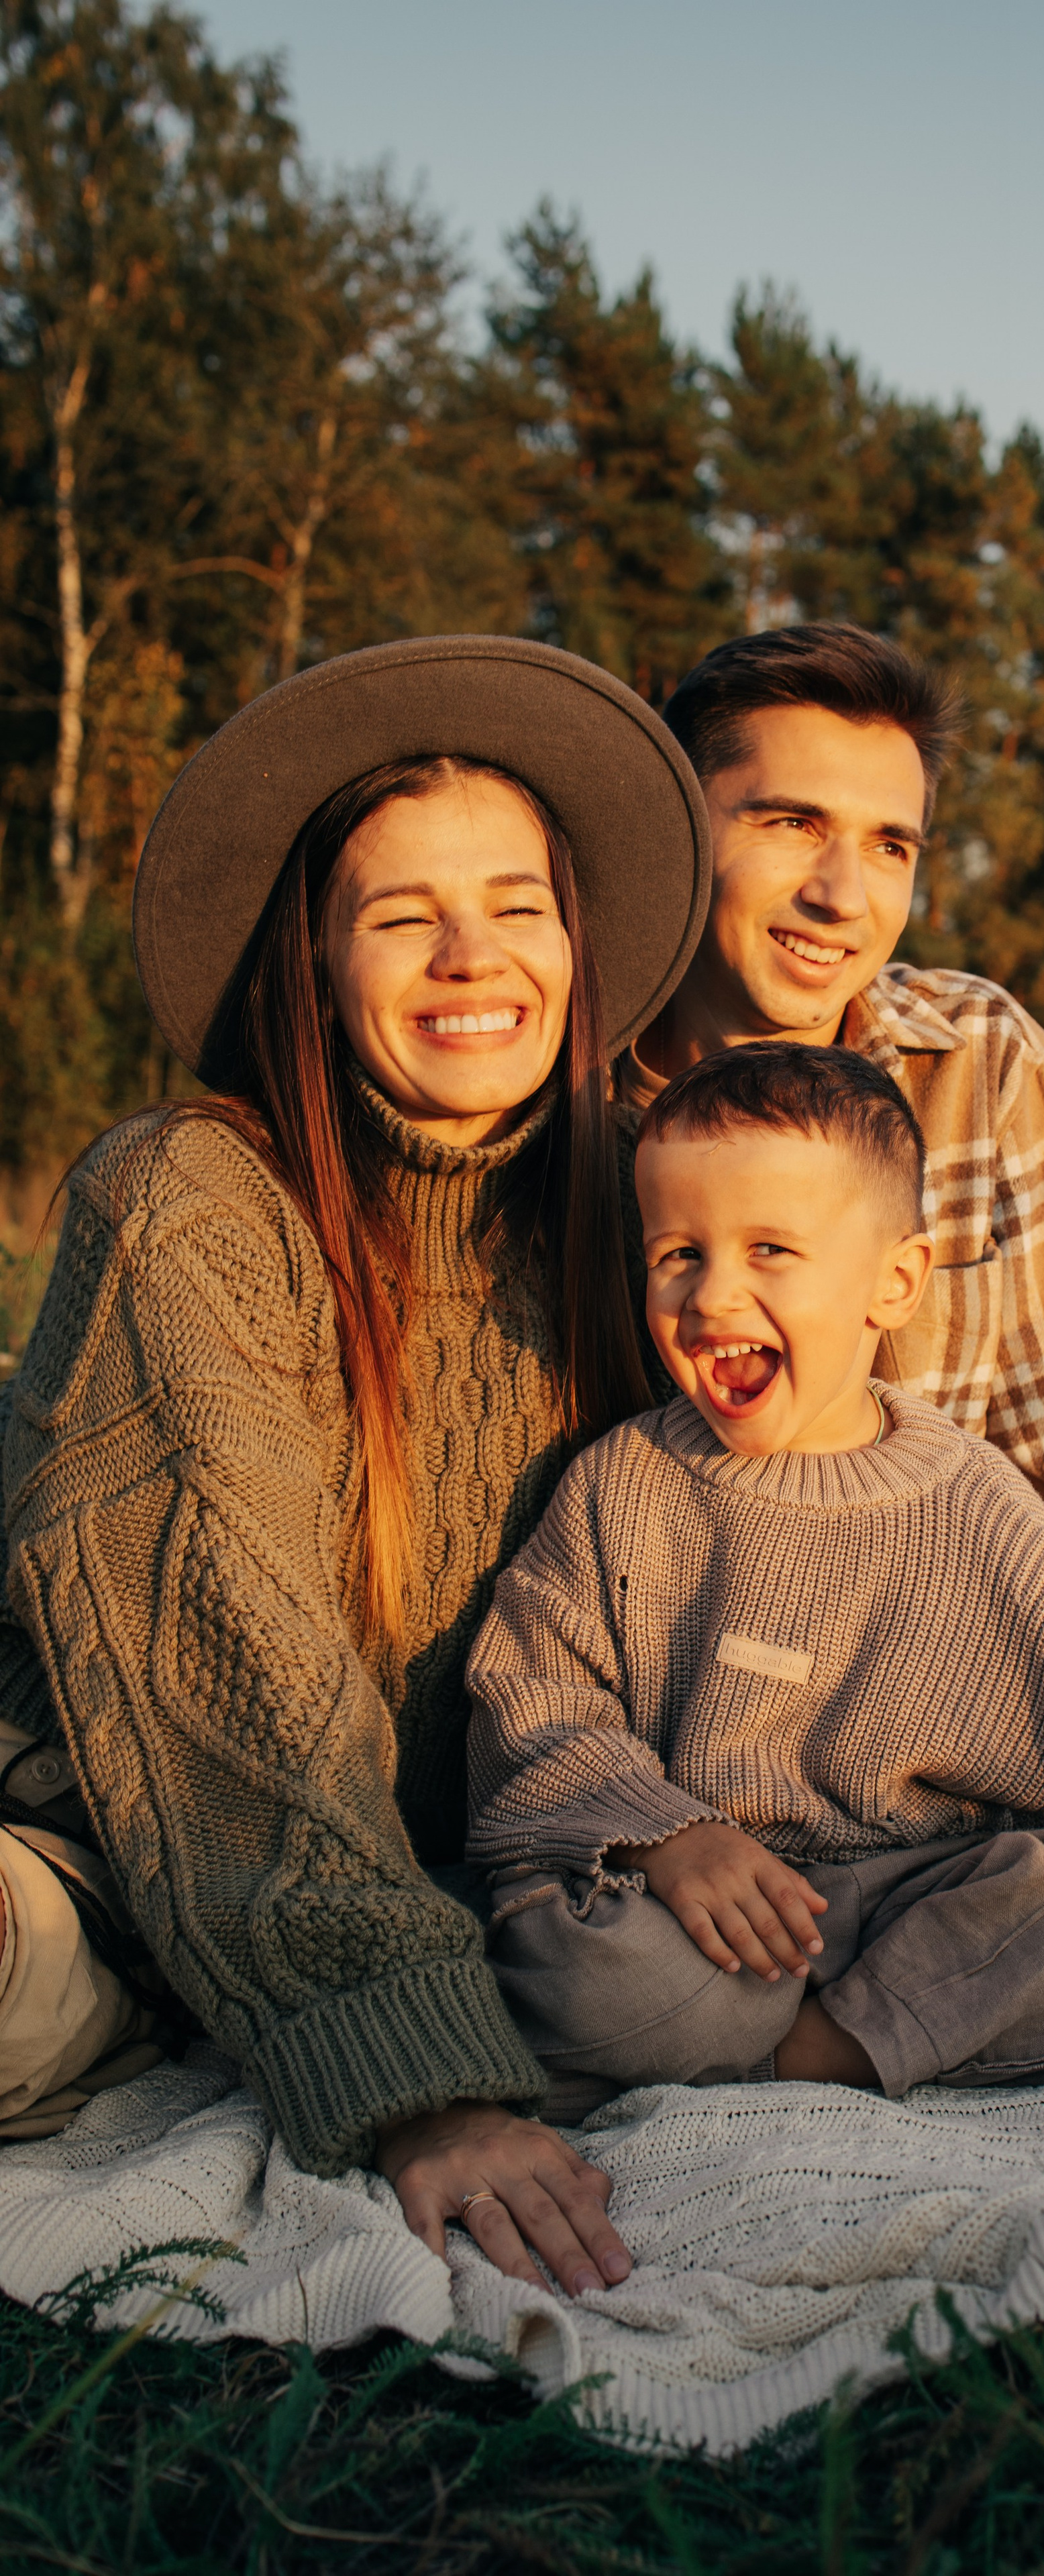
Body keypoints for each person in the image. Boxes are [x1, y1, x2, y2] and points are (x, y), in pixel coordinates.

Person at [0, 636, 713, 2297]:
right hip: (95, 1832)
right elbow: (223, 1682)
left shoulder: (635, 1208)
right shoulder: (188, 1199)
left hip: (456, 1870)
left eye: (519, 903)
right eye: (402, 916)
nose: (476, 955)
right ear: (313, 967)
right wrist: (425, 2091)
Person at [467, 1046, 1044, 2102]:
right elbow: (530, 1700)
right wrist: (667, 1836)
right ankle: (843, 2043)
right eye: (677, 1252)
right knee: (577, 1965)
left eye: (772, 1249)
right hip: (700, 1911)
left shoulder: (968, 1500)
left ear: (894, 1283)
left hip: (917, 1894)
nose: (713, 1294)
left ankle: (811, 2054)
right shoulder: (623, 1484)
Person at [619, 623, 1044, 1826]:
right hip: (669, 1762)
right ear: (678, 823)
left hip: (951, 1747)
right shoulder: (563, 1103)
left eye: (890, 844)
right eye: (790, 824)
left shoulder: (976, 1062)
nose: (843, 894)